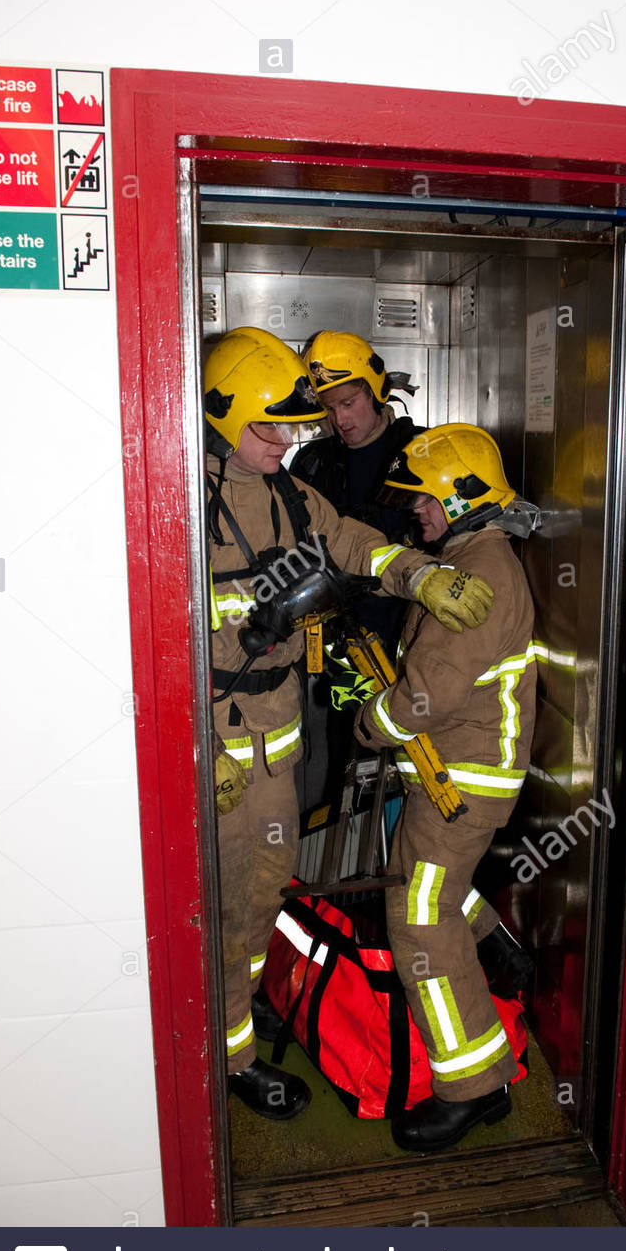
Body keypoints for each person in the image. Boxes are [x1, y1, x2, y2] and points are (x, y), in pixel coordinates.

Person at [204, 329, 496, 1122]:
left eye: (297, 426)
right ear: (222, 417)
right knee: (221, 903)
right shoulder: (184, 501)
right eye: (272, 427)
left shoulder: (292, 493)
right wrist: (196, 746)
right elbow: (152, 638)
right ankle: (223, 1061)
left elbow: (352, 541)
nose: (290, 440)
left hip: (277, 735)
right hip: (217, 744)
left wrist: (420, 572)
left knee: (261, 889)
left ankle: (237, 1014)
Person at [353, 424, 537, 1152]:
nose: (415, 513)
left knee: (418, 917)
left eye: (424, 499)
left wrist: (369, 720)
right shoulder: (475, 555)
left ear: (461, 497)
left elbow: (424, 697)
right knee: (430, 883)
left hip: (459, 779)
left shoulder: (476, 574)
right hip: (457, 773)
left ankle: (474, 1087)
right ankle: (497, 949)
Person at [290, 330, 423, 645]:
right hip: (331, 645)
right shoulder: (310, 465)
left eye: (348, 403)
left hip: (406, 639)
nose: (340, 419)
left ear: (376, 392)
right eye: (329, 408)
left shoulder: (423, 454)